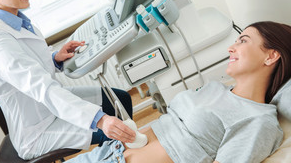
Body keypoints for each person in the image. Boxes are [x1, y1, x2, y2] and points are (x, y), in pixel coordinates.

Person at [0, 0, 136, 160]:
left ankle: (127, 152)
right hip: (37, 132)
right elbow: (44, 89)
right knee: (111, 129)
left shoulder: (17, 21)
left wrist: (54, 59)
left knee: (121, 100)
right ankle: (122, 154)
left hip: (48, 110)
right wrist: (100, 120)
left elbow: (30, 69)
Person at [65, 21, 291, 163]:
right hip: (107, 153)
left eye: (243, 40)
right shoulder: (216, 88)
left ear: (271, 56)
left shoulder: (259, 121)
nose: (231, 47)